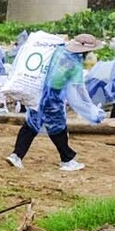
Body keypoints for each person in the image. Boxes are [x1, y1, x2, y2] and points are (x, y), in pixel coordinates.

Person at [7, 34, 95, 171]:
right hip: (53, 96)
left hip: (38, 92)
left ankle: (16, 155)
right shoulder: (74, 63)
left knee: (31, 125)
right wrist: (89, 108)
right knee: (58, 128)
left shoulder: (58, 50)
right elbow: (78, 87)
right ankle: (67, 159)